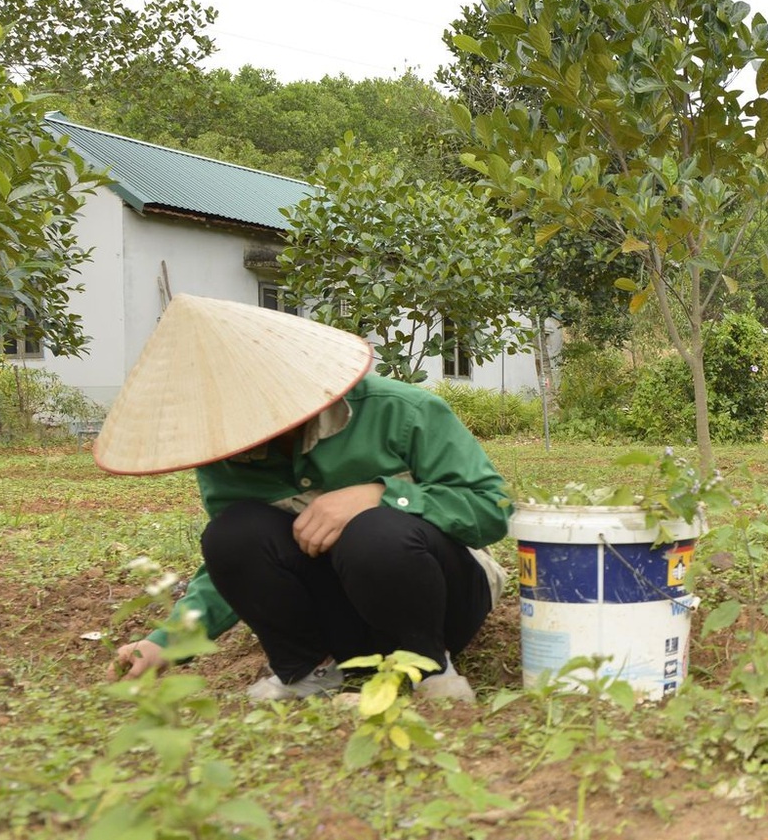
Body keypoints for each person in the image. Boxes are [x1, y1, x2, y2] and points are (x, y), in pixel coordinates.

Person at [101, 295, 511, 703]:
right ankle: (312, 669)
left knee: (374, 531)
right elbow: (231, 563)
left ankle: (429, 670)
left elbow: (490, 509)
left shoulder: (402, 411)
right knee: (232, 534)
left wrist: (381, 495)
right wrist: (166, 642)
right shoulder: (227, 455)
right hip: (343, 620)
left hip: (441, 605)